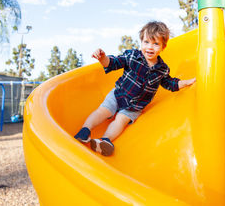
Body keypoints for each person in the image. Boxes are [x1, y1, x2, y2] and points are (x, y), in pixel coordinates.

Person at [74, 21, 196, 156]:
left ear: (163, 46)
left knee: (120, 120)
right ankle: (85, 130)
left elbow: (170, 83)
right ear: (141, 42)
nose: (150, 47)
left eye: (156, 44)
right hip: (118, 94)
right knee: (103, 111)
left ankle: (105, 141)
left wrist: (186, 82)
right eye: (146, 42)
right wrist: (103, 58)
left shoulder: (162, 69)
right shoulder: (132, 56)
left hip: (134, 107)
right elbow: (113, 63)